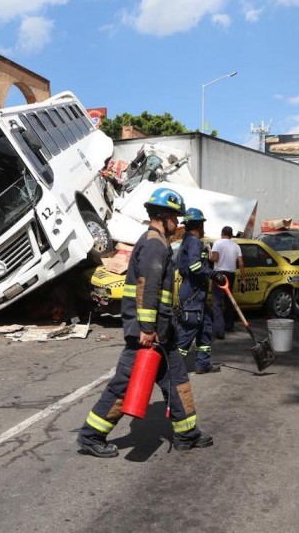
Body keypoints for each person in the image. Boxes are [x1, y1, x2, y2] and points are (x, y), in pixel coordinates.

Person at [76, 188, 213, 457]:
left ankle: (187, 434)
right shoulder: (154, 244)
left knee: (177, 380)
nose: (178, 224)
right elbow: (147, 289)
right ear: (164, 216)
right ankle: (91, 436)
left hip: (162, 334)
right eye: (176, 218)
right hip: (147, 334)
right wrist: (148, 329)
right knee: (124, 385)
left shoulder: (157, 242)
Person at [176, 207, 223, 374]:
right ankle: (173, 367)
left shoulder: (187, 242)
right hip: (193, 293)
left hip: (196, 293)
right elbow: (194, 267)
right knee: (188, 331)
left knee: (205, 327)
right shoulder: (194, 241)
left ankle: (203, 364)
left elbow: (195, 263)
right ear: (198, 226)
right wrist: (213, 274)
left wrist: (207, 259)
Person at [210, 225, 246, 339]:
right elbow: (241, 263)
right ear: (231, 235)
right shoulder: (236, 246)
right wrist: (243, 280)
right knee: (229, 300)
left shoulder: (217, 243)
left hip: (219, 274)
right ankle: (229, 325)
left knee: (217, 303)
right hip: (231, 275)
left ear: (222, 233)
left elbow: (214, 259)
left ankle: (219, 332)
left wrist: (209, 252)